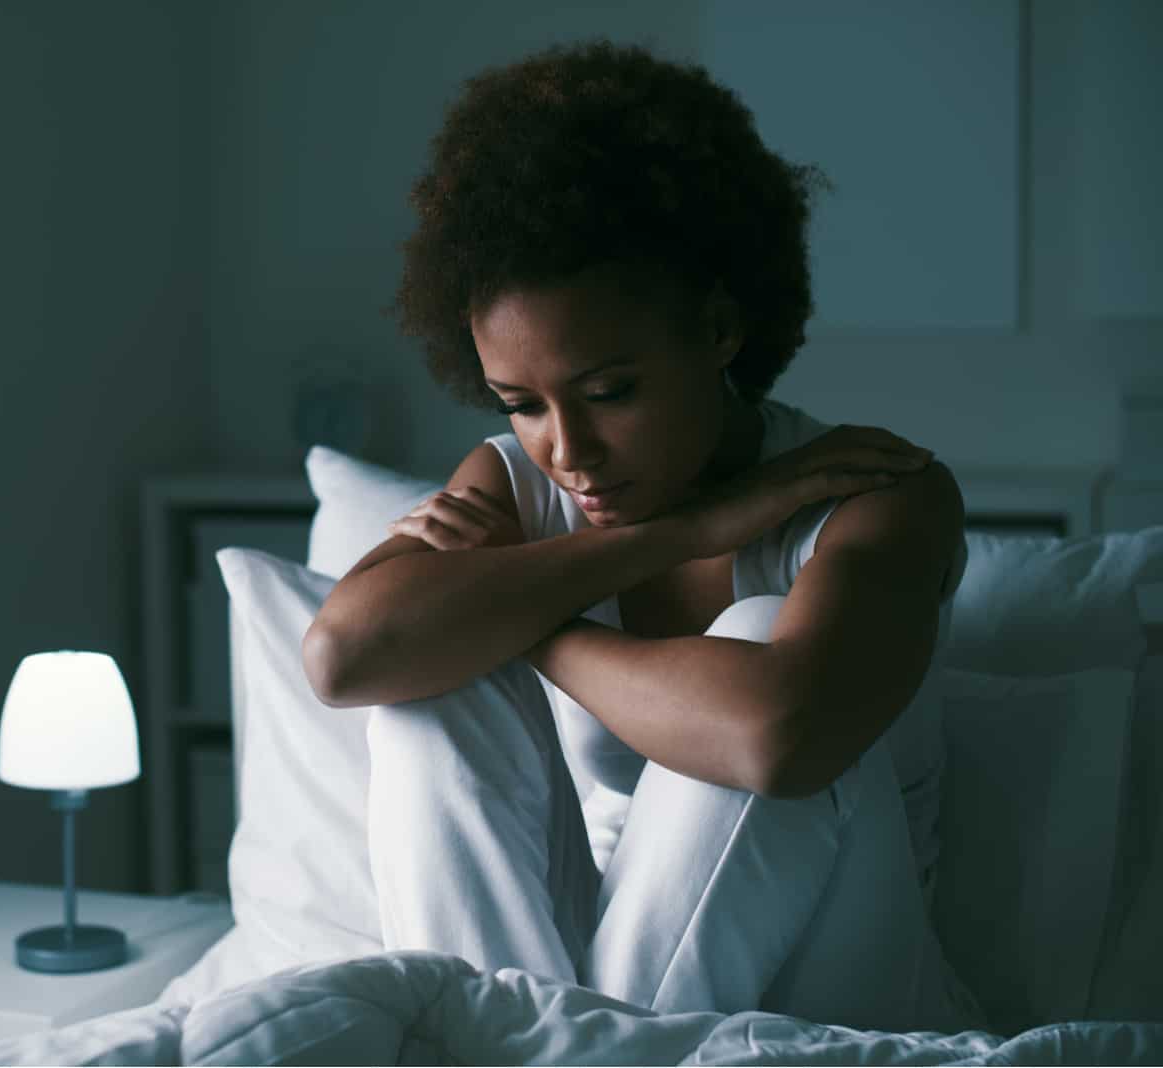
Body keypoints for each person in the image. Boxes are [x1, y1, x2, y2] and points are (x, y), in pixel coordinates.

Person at [301, 40, 986, 1034]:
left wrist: (516, 614)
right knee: (428, 688)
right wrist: (682, 533)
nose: (566, 451)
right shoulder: (512, 481)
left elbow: (776, 737)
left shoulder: (874, 491)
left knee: (753, 641)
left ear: (718, 327)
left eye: (610, 391)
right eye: (520, 404)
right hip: (596, 985)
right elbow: (343, 657)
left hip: (844, 1002)